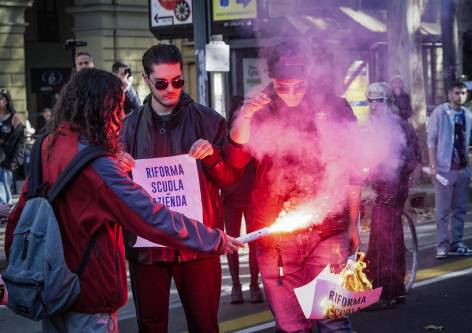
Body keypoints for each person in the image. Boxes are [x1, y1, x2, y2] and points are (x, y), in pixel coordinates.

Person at [4, 68, 242, 332]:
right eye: (116, 108)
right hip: (89, 295)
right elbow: (151, 217)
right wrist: (213, 238)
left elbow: (23, 209)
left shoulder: (46, 145)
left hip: (52, 285)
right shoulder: (99, 166)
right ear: (102, 110)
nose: (119, 119)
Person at [227, 42, 360, 332]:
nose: (291, 94)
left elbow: (352, 167)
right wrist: (245, 115)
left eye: (299, 86)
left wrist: (353, 222)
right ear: (272, 80)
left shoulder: (334, 106)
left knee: (332, 320)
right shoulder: (259, 106)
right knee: (290, 326)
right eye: (283, 86)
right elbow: (236, 156)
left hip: (327, 231)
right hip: (275, 237)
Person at [120, 44, 243, 333]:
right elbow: (114, 190)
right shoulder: (127, 127)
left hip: (197, 247)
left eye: (177, 81)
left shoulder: (208, 120)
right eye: (161, 83)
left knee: (204, 325)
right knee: (151, 327)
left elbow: (230, 181)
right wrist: (118, 166)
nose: (170, 89)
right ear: (145, 79)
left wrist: (212, 156)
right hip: (147, 249)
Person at [363, 82, 420, 310]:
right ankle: (390, 288)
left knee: (386, 237)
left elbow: (411, 158)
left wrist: (394, 176)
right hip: (377, 187)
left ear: (388, 102)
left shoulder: (399, 126)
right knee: (383, 235)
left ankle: (387, 290)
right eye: (370, 100)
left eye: (379, 100)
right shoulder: (369, 126)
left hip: (393, 186)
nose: (374, 105)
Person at [427, 81, 472, 259]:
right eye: (456, 93)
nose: (460, 96)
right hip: (443, 169)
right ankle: (442, 245)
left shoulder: (468, 115)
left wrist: (468, 167)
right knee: (442, 210)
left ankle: (457, 243)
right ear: (449, 94)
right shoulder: (440, 112)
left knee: (460, 209)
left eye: (463, 93)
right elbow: (431, 140)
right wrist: (433, 166)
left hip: (462, 168)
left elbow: (465, 142)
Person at [222, 96, 263, 304]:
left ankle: (254, 285)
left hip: (251, 195)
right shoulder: (225, 135)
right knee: (232, 242)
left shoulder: (254, 134)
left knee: (254, 241)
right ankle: (237, 286)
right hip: (230, 195)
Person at [0, 89, 25, 203]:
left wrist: (16, 160)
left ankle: (6, 217)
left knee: (5, 189)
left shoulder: (14, 117)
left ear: (6, 101)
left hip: (7, 161)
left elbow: (20, 141)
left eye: (1, 98)